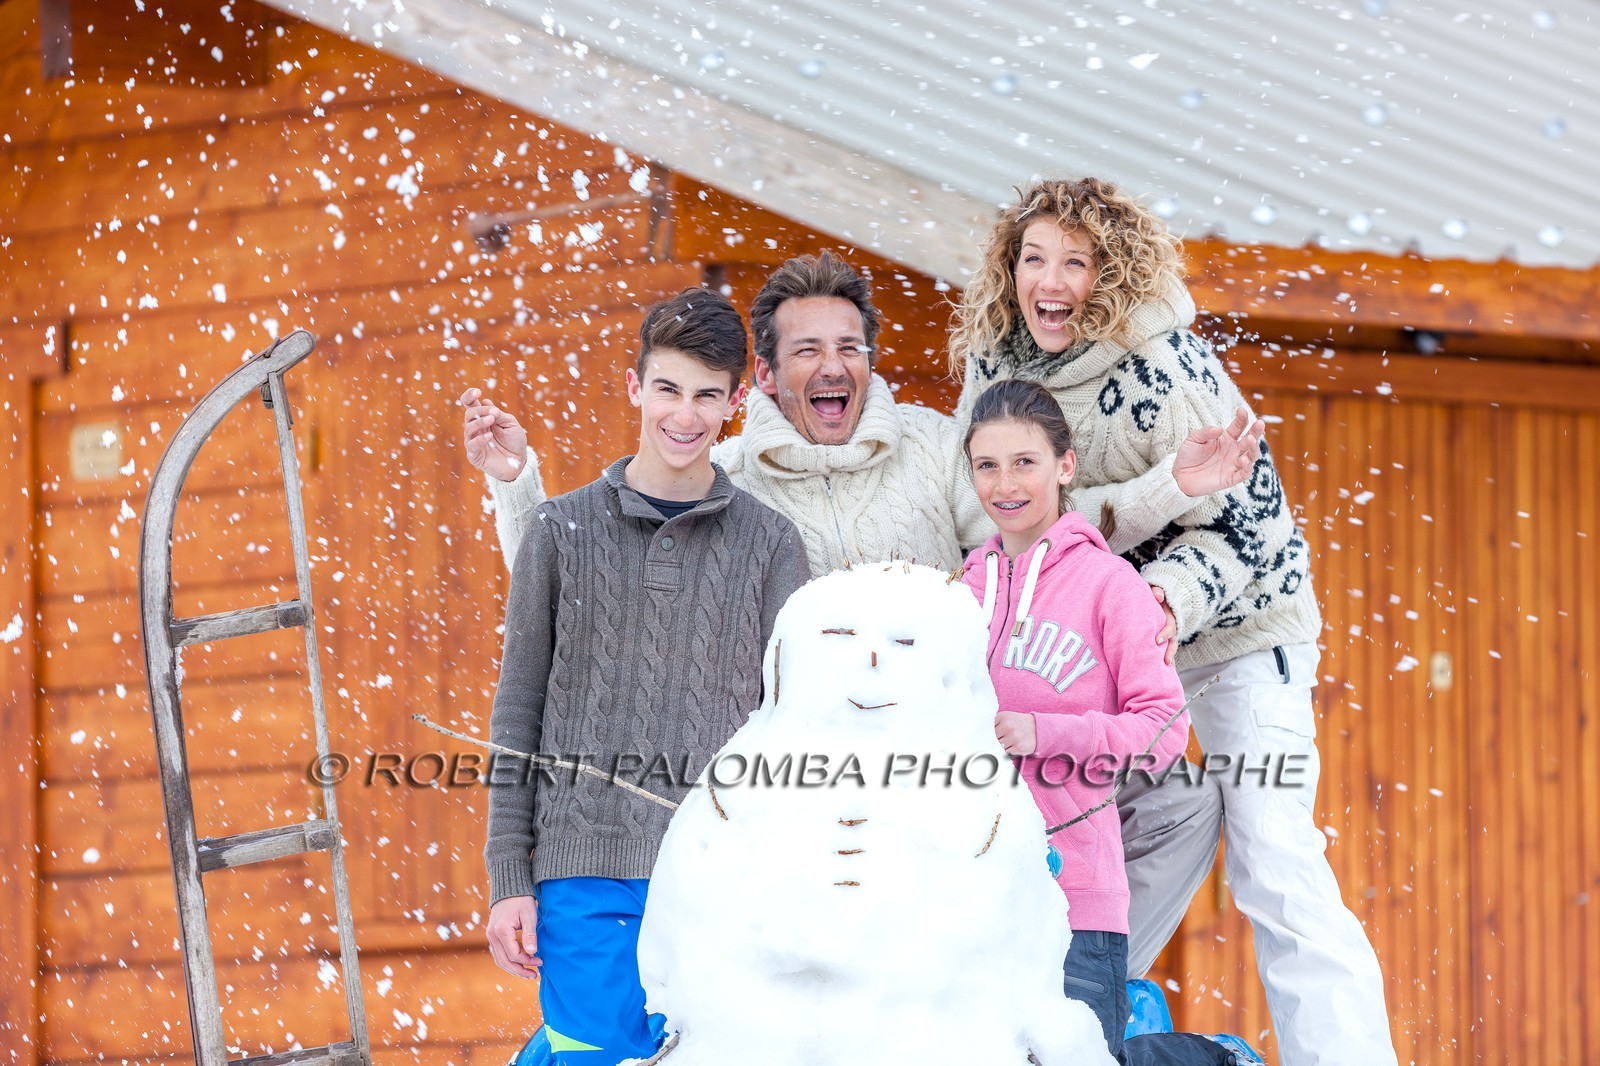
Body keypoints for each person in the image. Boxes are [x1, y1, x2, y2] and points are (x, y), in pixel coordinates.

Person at [950, 177, 1397, 1066]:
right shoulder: (993, 371)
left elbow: (1252, 527)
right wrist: (1140, 534)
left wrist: (1168, 598)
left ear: (1110, 273)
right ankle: (1077, 1020)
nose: (1052, 279)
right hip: (1097, 639)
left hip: (1238, 640)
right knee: (1072, 831)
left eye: (1076, 261)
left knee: (1271, 856)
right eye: (1033, 257)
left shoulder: (1172, 369)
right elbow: (988, 518)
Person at [463, 252, 1264, 581]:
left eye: (849, 345)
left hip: (945, 762)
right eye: (807, 350)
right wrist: (514, 483)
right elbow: (583, 576)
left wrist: (1169, 485)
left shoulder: (932, 445)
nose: (834, 366)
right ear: (768, 377)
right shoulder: (727, 481)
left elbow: (1038, 528)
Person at [484, 286, 810, 1065]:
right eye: (667, 388)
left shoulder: (772, 547)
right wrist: (508, 876)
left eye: (706, 396)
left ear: (736, 400)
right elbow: (518, 709)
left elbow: (795, 727)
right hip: (581, 875)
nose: (684, 415)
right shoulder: (559, 533)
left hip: (719, 881)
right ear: (636, 386)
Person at [961, 379, 1246, 1066]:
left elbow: (1163, 731)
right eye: (987, 465)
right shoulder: (964, 587)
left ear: (1065, 467)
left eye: (1025, 462)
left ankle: (1215, 1058)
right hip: (972, 897)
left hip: (1076, 898)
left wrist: (1047, 733)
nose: (1006, 484)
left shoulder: (1111, 585)